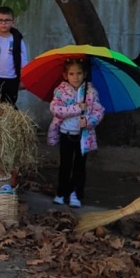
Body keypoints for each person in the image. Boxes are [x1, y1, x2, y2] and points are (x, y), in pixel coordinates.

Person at [47, 58, 105, 208]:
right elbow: (56, 110)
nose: (76, 77)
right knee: (65, 165)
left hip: (83, 137)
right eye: (72, 73)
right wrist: (77, 108)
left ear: (85, 74)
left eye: (79, 73)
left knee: (79, 166)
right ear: (66, 75)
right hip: (66, 133)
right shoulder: (60, 91)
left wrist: (89, 121)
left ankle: (75, 193)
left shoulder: (90, 91)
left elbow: (99, 111)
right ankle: (61, 192)